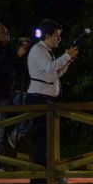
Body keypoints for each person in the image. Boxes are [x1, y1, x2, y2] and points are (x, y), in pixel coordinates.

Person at [26, 19, 78, 175]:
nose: (59, 39)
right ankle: (39, 176)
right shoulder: (38, 50)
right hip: (39, 98)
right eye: (57, 36)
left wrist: (68, 61)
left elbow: (55, 74)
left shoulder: (47, 51)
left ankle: (46, 174)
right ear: (47, 36)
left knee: (49, 138)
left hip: (47, 98)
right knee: (42, 138)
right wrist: (66, 56)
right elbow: (50, 69)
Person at [0, 21, 30, 166]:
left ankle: (15, 135)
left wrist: (24, 52)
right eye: (4, 32)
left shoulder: (9, 49)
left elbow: (19, 68)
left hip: (10, 91)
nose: (7, 35)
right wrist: (17, 55)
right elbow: (2, 70)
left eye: (8, 32)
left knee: (30, 105)